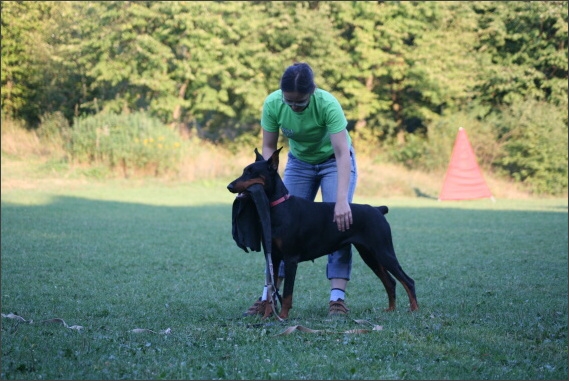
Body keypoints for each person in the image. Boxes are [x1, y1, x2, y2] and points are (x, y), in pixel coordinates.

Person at [243, 62, 358, 317]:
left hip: (333, 163)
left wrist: (341, 200)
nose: (294, 107)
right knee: (279, 228)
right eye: (289, 102)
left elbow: (342, 153)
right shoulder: (273, 104)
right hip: (299, 164)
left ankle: (337, 299)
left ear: (312, 92)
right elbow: (269, 150)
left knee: (340, 224)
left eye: (300, 103)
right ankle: (268, 297)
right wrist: (264, 186)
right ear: (282, 95)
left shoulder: (327, 104)